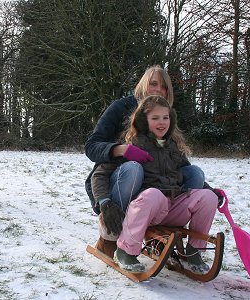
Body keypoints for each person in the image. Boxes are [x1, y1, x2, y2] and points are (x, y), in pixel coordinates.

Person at [84, 65, 205, 257]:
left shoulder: (163, 116)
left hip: (154, 186)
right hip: (119, 178)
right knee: (134, 169)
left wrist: (208, 189)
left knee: (195, 174)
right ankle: (111, 235)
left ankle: (161, 234)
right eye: (153, 83)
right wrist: (122, 149)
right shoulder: (120, 108)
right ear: (143, 84)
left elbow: (175, 160)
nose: (158, 89)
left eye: (164, 86)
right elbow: (91, 146)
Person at [92, 95, 222, 274]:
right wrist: (105, 202)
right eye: (155, 118)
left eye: (165, 117)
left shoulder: (173, 147)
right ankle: (125, 251)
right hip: (147, 209)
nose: (162, 123)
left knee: (207, 198)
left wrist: (212, 191)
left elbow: (186, 172)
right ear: (144, 121)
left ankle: (193, 251)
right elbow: (100, 174)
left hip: (173, 206)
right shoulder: (132, 144)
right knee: (153, 194)